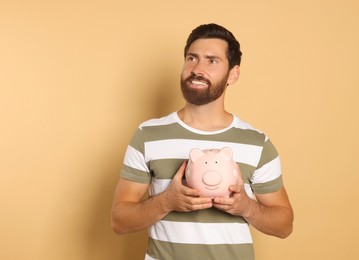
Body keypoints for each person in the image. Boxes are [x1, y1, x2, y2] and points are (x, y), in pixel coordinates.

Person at [111, 23, 294, 260]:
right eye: (191, 58)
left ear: (233, 74)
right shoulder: (148, 135)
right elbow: (119, 221)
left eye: (212, 61)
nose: (197, 69)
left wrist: (246, 207)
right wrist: (166, 202)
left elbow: (284, 225)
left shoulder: (257, 143)